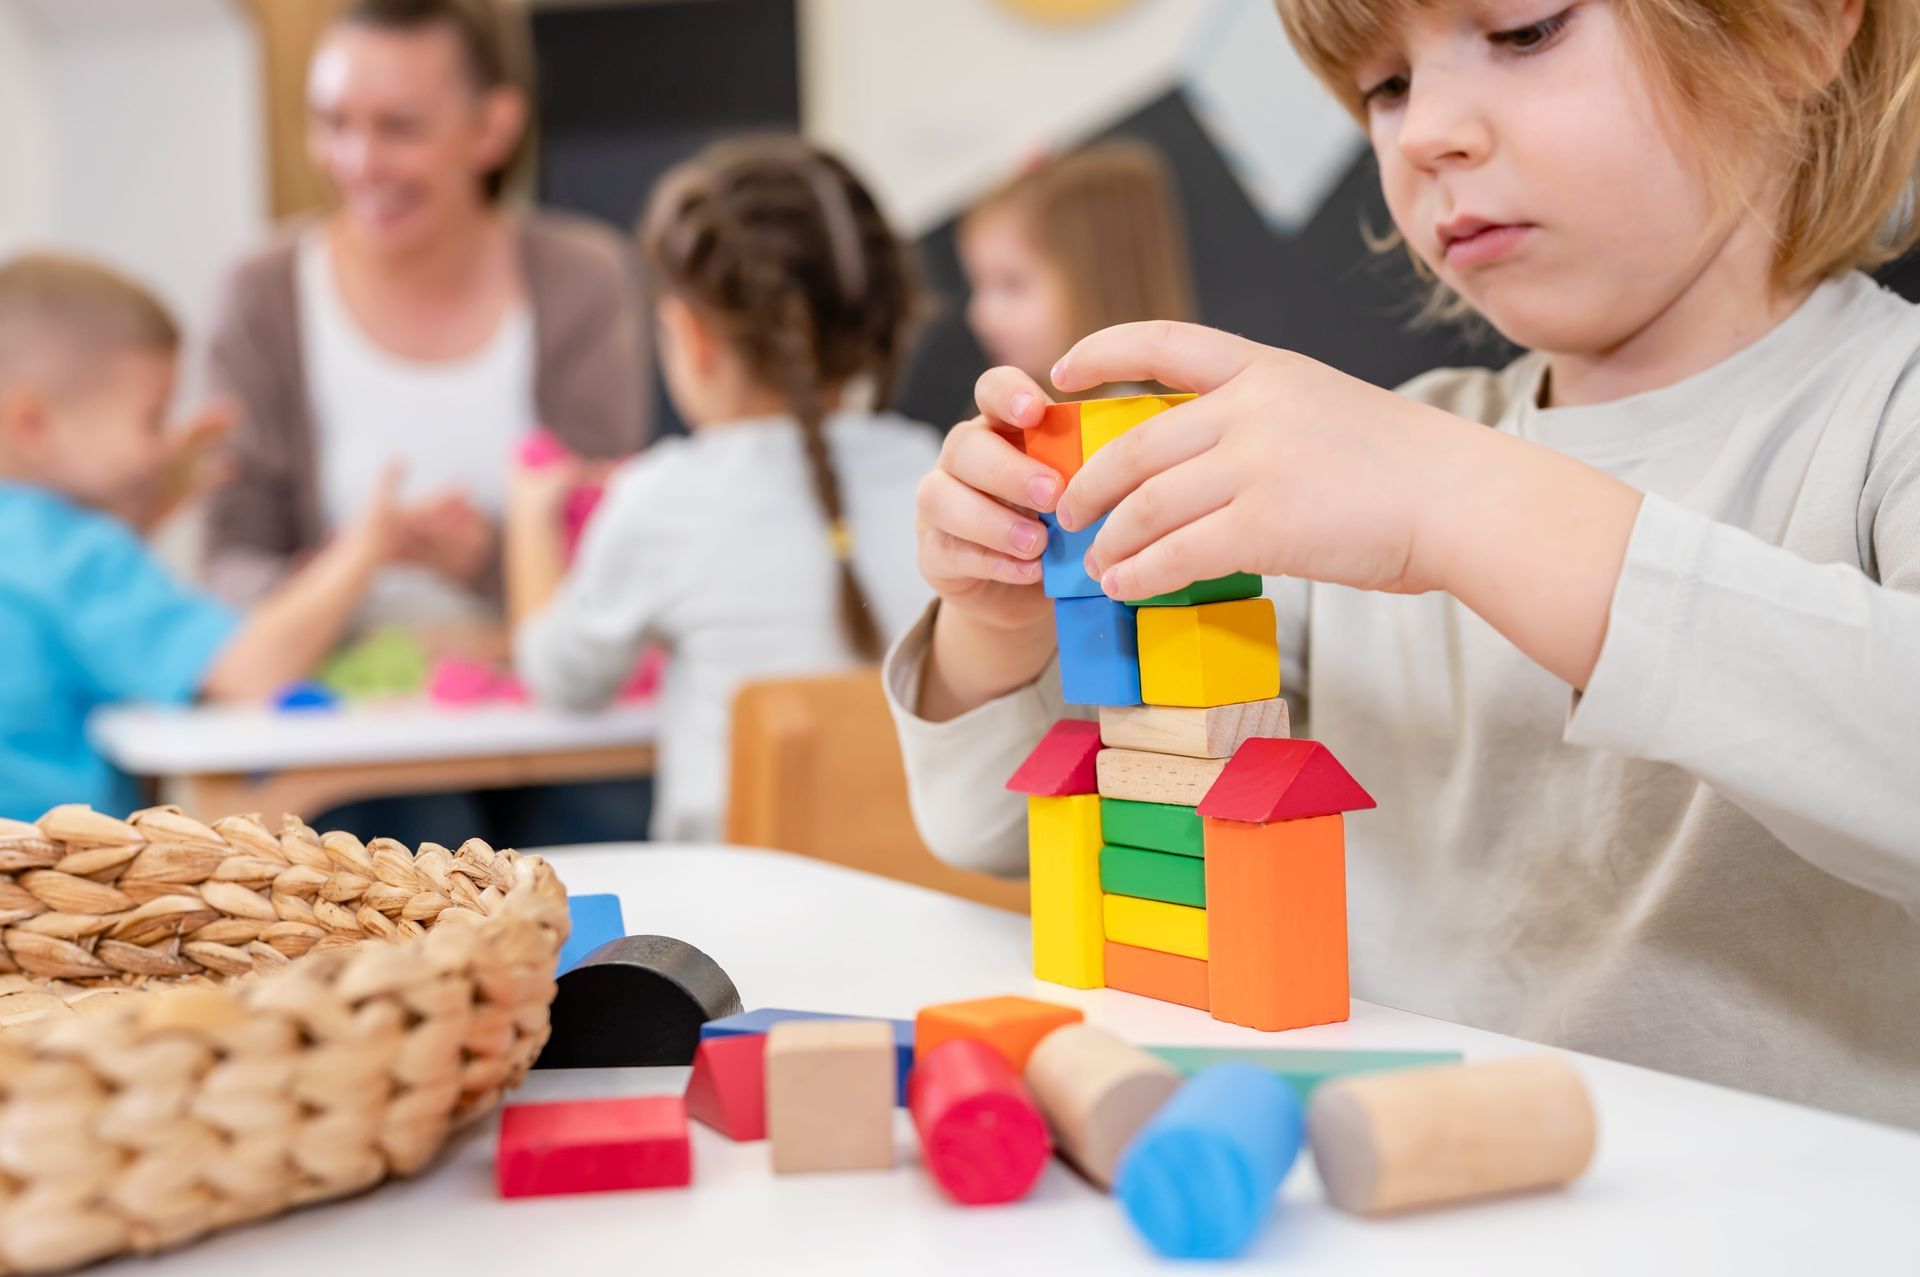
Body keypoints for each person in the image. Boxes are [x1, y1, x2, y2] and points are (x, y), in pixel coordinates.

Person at [891, 0, 1920, 1131]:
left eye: (1525, 30)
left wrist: (1461, 500)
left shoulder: (1887, 414)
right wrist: (1005, 622)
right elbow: (1012, 832)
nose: (1426, 130)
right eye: (1384, 88)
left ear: (1801, 28)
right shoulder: (1363, 478)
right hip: (1379, 1186)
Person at [201, 0, 655, 847]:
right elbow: (225, 564)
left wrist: (490, 557)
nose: (357, 161)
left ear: (492, 127)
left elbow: (615, 546)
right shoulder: (260, 294)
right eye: (333, 122)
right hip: (354, 728)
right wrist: (350, 564)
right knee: (412, 836)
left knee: (607, 832)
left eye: (399, 128)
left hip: (550, 711)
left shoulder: (581, 279)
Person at [511, 138, 938, 842]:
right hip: (935, 916)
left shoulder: (661, 496)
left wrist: (531, 515)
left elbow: (563, 678)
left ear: (692, 335)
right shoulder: (948, 474)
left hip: (732, 934)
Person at [0, 254, 395, 821]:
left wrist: (143, 513)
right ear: (33, 424)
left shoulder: (43, 548)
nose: (166, 445)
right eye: (153, 419)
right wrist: (364, 550)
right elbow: (249, 670)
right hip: (57, 881)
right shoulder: (76, 554)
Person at [958, 141, 1196, 399]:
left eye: (1012, 284)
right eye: (977, 285)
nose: (981, 315)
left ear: (1102, 283)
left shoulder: (1132, 414)